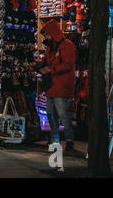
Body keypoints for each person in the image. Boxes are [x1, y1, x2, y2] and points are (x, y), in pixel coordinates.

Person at [33, 19, 77, 152]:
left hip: (62, 86)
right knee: (51, 114)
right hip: (52, 85)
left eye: (47, 35)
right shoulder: (50, 47)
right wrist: (38, 64)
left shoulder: (67, 46)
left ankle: (69, 140)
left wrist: (50, 70)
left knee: (63, 114)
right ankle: (55, 139)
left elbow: (68, 65)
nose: (46, 37)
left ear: (53, 33)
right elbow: (46, 60)